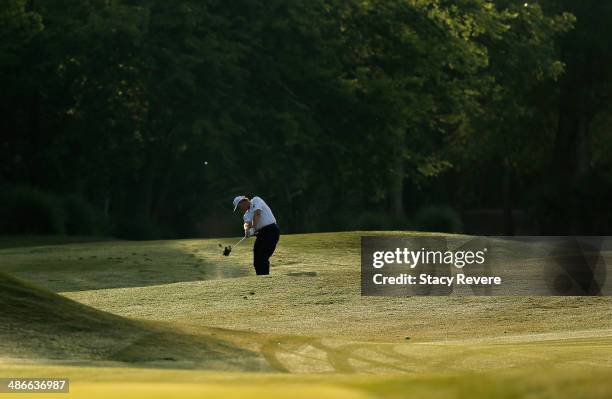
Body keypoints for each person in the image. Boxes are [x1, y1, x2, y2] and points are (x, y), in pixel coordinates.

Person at [232, 195, 280, 275]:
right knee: (257, 260)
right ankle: (260, 279)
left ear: (243, 201)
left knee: (263, 257)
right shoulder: (246, 214)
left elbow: (257, 213)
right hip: (261, 234)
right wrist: (246, 230)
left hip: (271, 231)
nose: (241, 209)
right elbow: (246, 223)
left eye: (240, 206)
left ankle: (265, 278)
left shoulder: (256, 200)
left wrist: (253, 228)